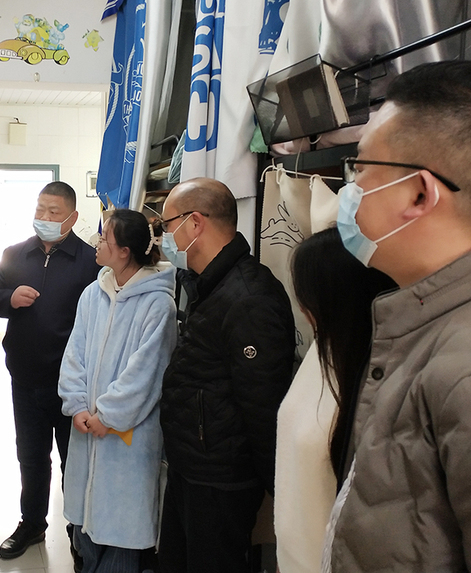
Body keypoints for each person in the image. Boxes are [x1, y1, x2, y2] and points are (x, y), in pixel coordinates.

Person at [325, 60, 471, 572]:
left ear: (420, 193)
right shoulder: (422, 323)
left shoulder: (461, 362)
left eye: (360, 169)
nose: (350, 189)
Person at [156, 177, 296, 573]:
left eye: (167, 226)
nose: (163, 238)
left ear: (194, 223)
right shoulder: (208, 284)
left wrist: (279, 495)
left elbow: (264, 406)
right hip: (191, 466)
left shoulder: (249, 297)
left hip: (220, 480)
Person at [0, 181, 100, 561]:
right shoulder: (15, 254)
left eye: (53, 212)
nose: (44, 217)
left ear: (72, 218)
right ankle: (32, 523)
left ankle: (79, 532)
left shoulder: (90, 261)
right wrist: (9, 299)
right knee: (31, 458)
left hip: (72, 386)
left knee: (74, 462)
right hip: (25, 380)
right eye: (39, 210)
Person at [58, 209, 177, 572]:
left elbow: (146, 373)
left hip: (127, 439)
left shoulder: (158, 303)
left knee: (121, 540)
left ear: (124, 251)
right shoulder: (93, 294)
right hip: (86, 430)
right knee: (85, 533)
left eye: (104, 237)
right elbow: (74, 354)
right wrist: (78, 405)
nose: (97, 242)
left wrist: (108, 416)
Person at [275, 227, 395, 573]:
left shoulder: (375, 376)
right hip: (294, 554)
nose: (301, 306)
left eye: (305, 294)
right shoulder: (322, 350)